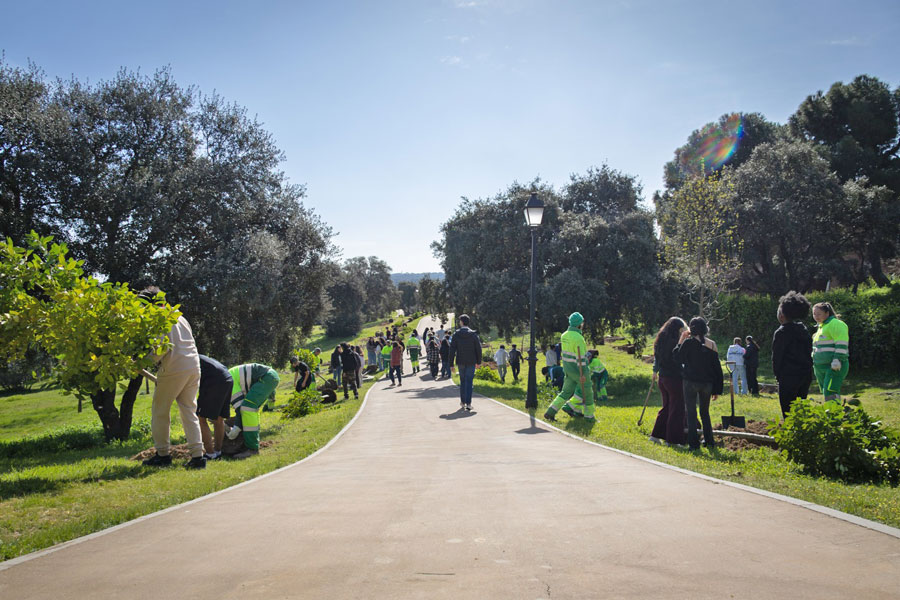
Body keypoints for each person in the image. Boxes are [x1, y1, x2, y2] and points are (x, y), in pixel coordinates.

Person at [141, 288, 206, 470]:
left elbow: (160, 350)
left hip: (174, 368)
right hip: (193, 366)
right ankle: (198, 457)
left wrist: (141, 362)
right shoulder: (180, 317)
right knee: (189, 411)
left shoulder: (160, 318)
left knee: (160, 412)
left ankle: (162, 455)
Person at [673, 317, 723, 451]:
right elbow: (717, 369)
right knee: (705, 413)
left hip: (690, 382)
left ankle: (694, 444)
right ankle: (709, 441)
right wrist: (717, 390)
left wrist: (681, 340)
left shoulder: (688, 343)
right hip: (707, 384)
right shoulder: (712, 344)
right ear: (705, 329)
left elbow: (677, 358)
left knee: (691, 412)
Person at [543, 312, 594, 423]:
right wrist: (584, 373)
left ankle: (550, 412)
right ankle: (589, 417)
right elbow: (581, 358)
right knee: (587, 391)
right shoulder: (579, 338)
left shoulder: (564, 335)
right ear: (579, 324)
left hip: (567, 368)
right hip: (578, 369)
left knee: (565, 392)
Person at [772, 291, 814, 416]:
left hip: (788, 376)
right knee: (800, 409)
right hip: (805, 375)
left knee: (788, 411)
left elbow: (777, 357)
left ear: (782, 315)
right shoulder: (803, 330)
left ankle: (790, 434)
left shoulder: (781, 333)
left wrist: (778, 375)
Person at [227, 363, 280, 458]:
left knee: (248, 408)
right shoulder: (228, 376)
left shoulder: (228, 383)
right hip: (270, 376)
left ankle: (252, 449)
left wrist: (236, 428)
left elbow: (240, 409)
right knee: (251, 408)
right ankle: (254, 440)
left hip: (266, 378)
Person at [649, 317, 687, 446]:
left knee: (667, 408)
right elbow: (677, 359)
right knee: (677, 409)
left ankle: (656, 435)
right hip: (674, 378)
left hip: (663, 378)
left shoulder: (660, 341)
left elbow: (658, 360)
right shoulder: (674, 342)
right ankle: (672, 440)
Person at [196, 354, 233, 461]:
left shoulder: (185, 358)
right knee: (219, 418)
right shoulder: (196, 355)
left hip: (213, 381)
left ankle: (210, 454)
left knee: (200, 418)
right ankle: (217, 452)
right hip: (227, 378)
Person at [812, 301, 850, 402]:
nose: (816, 316)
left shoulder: (836, 324)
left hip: (833, 366)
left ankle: (833, 415)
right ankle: (832, 414)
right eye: (814, 314)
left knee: (830, 391)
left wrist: (837, 359)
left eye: (819, 314)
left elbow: (841, 343)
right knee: (827, 392)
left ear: (827, 313)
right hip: (821, 367)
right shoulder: (821, 327)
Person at [449, 314, 483, 411]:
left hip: (460, 361)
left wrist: (451, 364)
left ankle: (462, 402)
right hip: (471, 362)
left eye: (460, 321)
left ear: (462, 322)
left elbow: (452, 350)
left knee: (462, 381)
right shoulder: (473, 334)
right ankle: (468, 403)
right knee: (469, 382)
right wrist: (478, 362)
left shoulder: (456, 334)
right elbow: (478, 349)